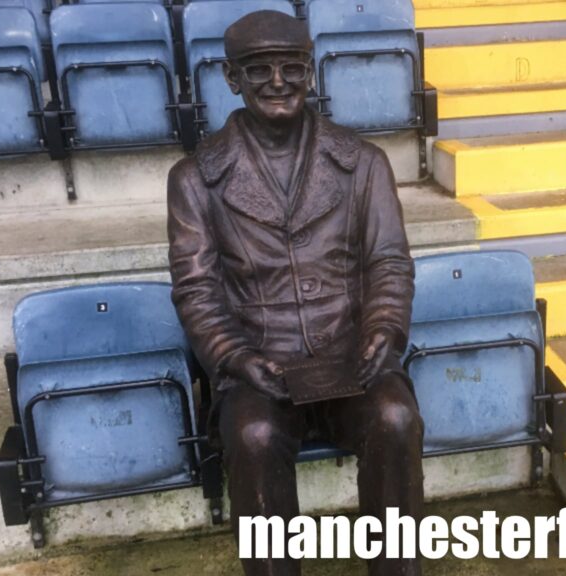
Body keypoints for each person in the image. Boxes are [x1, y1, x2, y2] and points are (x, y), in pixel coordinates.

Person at [167, 10, 424, 576]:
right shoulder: (195, 179)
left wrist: (384, 328)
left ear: (311, 73)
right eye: (259, 69)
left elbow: (388, 262)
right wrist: (234, 358)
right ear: (231, 77)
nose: (278, 81)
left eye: (292, 68)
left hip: (349, 356)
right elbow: (196, 289)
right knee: (254, 433)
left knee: (396, 416)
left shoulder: (363, 164)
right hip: (261, 365)